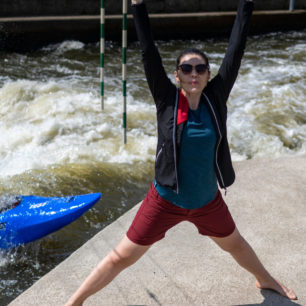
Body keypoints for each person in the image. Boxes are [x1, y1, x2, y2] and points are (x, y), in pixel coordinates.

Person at [65, 0, 297, 304]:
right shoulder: (167, 101)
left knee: (236, 245)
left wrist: (246, 6)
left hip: (206, 201)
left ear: (208, 74)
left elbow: (235, 50)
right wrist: (137, 7)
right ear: (178, 75)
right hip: (165, 200)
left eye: (200, 68)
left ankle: (265, 279)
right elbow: (148, 52)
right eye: (186, 68)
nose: (193, 73)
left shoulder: (216, 97)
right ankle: (76, 301)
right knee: (121, 256)